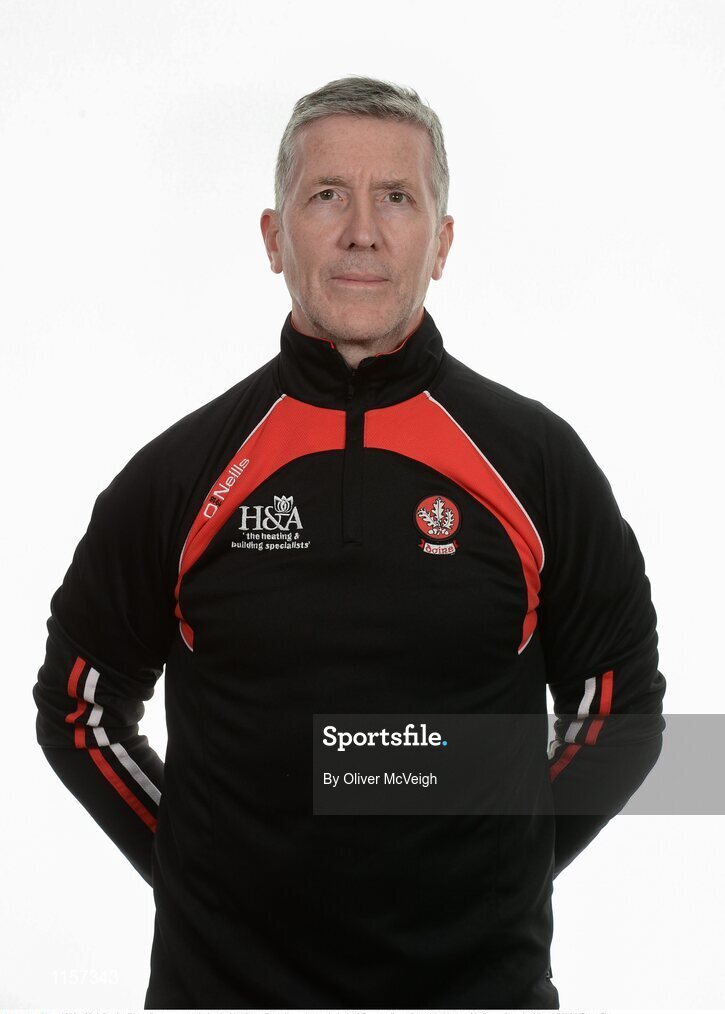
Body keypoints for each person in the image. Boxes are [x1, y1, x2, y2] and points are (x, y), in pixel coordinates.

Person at [33, 75, 666, 1009]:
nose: (361, 230)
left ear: (441, 242)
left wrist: (504, 868)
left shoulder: (535, 463)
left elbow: (624, 713)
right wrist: (192, 866)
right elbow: (79, 709)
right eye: (326, 195)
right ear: (272, 235)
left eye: (397, 198)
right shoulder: (178, 475)